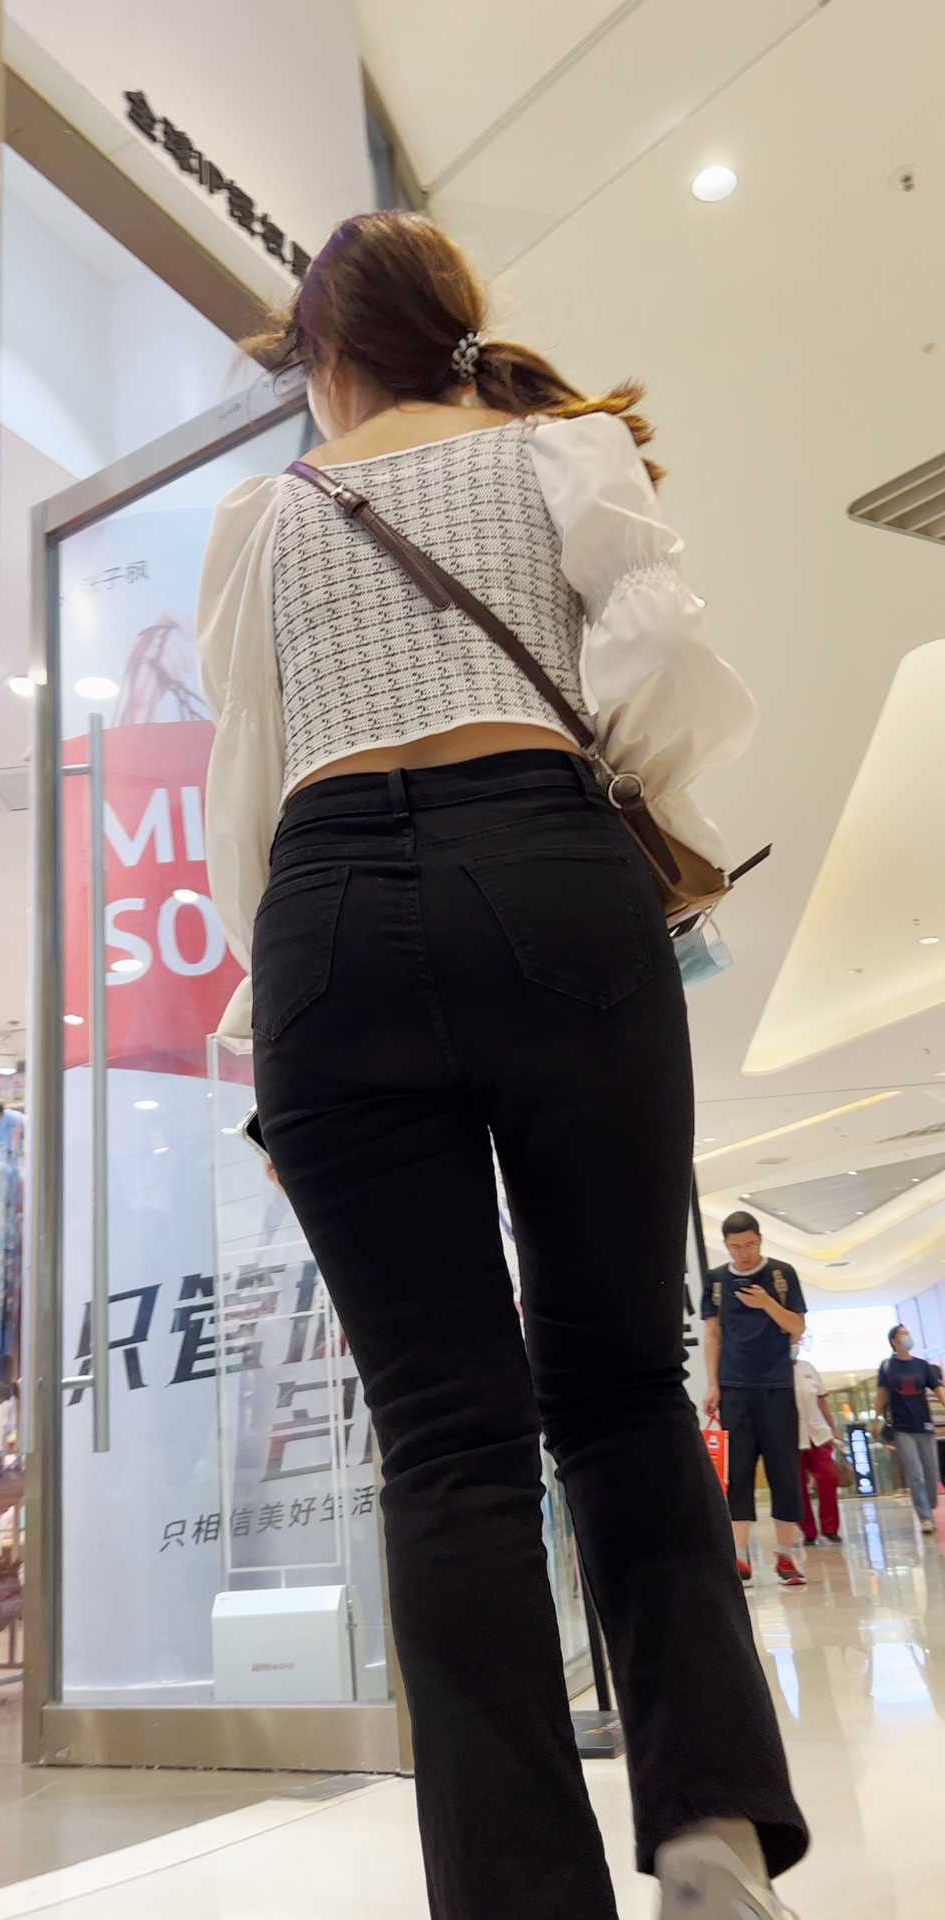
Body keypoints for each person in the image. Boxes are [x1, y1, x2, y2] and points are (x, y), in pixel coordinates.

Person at [197, 210, 807, 1920]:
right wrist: (575, 813)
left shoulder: (259, 517)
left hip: (326, 923)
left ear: (322, 358)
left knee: (443, 1442)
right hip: (550, 875)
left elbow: (251, 779)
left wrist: (271, 1018)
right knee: (618, 1385)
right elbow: (664, 670)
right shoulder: (562, 448)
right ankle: (710, 1832)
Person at [702, 1212, 807, 1587]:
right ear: (726, 1245)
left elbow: (796, 1327)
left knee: (784, 1469)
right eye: (735, 1247)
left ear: (759, 1240)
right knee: (738, 1472)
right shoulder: (716, 1280)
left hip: (778, 1386)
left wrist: (766, 1303)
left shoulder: (781, 1274)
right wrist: (712, 1385)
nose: (743, 1253)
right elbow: (712, 1335)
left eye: (749, 1244)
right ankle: (740, 1558)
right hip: (734, 1388)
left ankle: (785, 1556)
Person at [876, 1324, 945, 1534]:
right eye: (903, 1334)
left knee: (931, 1473)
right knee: (916, 1474)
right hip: (901, 1428)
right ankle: (925, 1517)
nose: (907, 1337)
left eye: (908, 1333)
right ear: (894, 1341)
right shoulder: (887, 1366)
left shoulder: (922, 1366)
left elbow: (938, 1389)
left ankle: (929, 1506)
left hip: (925, 1425)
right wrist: (876, 1419)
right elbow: (881, 1395)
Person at [793, 1343, 842, 1545]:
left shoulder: (807, 1367)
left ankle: (830, 1528)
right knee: (797, 1486)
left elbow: (822, 1401)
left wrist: (833, 1427)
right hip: (791, 1437)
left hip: (818, 1433)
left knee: (829, 1478)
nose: (794, 1345)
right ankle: (808, 1531)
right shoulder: (772, 1370)